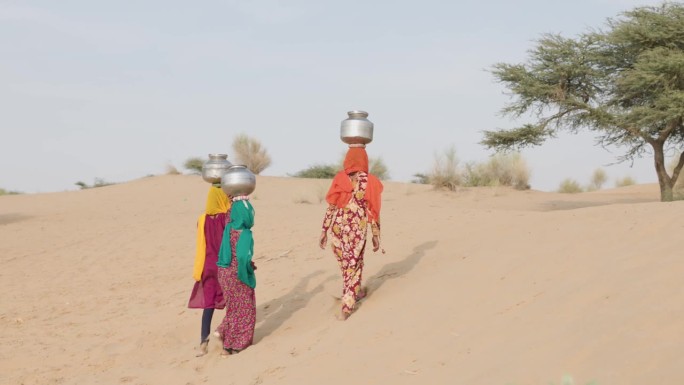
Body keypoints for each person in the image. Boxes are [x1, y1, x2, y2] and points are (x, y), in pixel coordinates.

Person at [319, 146, 383, 320]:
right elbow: (373, 210)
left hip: (338, 229)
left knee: (348, 264)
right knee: (353, 265)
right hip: (356, 229)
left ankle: (355, 291)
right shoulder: (370, 181)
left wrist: (324, 230)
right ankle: (347, 307)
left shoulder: (340, 178)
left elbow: (331, 207)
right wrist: (376, 235)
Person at [188, 184, 231, 357]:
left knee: (209, 304)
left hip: (207, 266)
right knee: (232, 302)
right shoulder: (227, 218)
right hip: (224, 265)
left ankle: (203, 343)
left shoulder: (202, 219)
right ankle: (225, 342)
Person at [215, 194, 256, 356]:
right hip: (237, 274)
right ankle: (238, 344)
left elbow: (229, 212)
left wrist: (235, 199)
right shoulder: (244, 233)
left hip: (224, 272)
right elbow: (242, 257)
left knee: (233, 307)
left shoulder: (229, 227)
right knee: (246, 308)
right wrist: (247, 270)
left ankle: (224, 337)